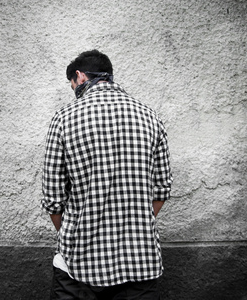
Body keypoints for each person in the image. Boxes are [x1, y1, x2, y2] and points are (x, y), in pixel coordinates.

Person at [41, 49, 172, 299]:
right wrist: (135, 222)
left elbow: (53, 201)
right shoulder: (150, 116)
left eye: (72, 84)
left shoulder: (63, 119)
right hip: (139, 263)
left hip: (78, 267)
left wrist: (76, 230)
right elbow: (162, 189)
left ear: (80, 77)